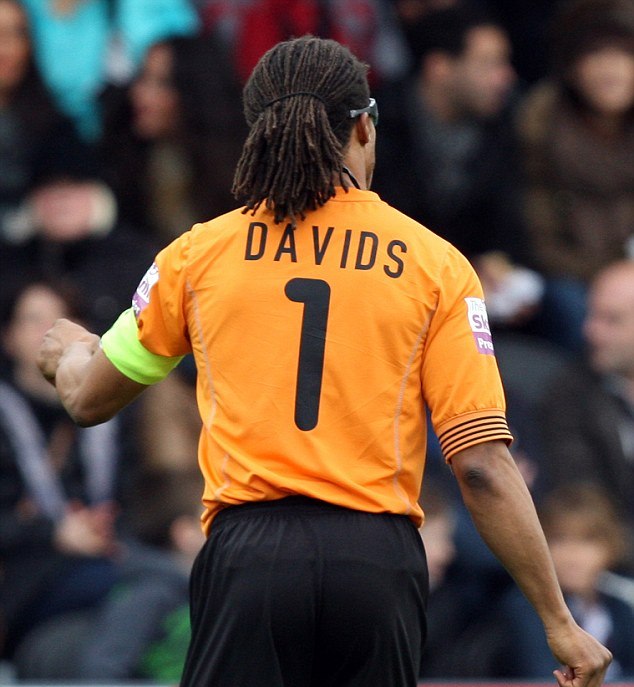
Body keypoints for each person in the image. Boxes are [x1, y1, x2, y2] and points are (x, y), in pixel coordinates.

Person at [37, 35, 611, 687]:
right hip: (376, 562)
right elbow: (480, 464)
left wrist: (71, 352)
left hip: (249, 559)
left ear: (260, 134)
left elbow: (88, 398)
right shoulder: (436, 265)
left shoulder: (196, 255)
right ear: (364, 127)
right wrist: (558, 619)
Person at [372, 4, 544, 328]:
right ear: (439, 66)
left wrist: (502, 266)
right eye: (489, 63)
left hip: (477, 301)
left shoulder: (505, 125)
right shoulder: (376, 127)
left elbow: (509, 228)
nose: (506, 77)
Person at [0, 280, 122, 661]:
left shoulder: (113, 411)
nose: (49, 330)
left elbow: (138, 498)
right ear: (8, 337)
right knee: (154, 583)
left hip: (105, 560)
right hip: (29, 579)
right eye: (33, 319)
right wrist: (54, 533)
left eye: (62, 318)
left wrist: (102, 527)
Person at [515, 0, 634, 351]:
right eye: (595, 55)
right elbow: (539, 235)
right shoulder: (543, 126)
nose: (609, 69)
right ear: (572, 69)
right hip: (570, 273)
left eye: (622, 55)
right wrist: (606, 275)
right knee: (573, 307)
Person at [537, 259, 634, 550]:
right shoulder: (569, 394)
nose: (591, 331)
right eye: (592, 315)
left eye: (611, 320)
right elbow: (584, 504)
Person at [494, 483, 634, 680]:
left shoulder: (620, 610)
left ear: (611, 547)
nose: (572, 555)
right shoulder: (526, 609)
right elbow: (539, 675)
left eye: (587, 540)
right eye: (560, 540)